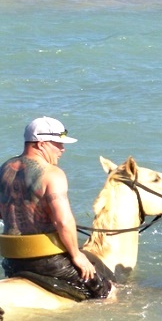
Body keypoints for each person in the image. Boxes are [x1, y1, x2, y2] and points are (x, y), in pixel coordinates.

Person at [0, 117, 113, 300]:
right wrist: (76, 255)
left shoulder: (4, 168)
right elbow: (63, 221)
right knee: (107, 292)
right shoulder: (52, 174)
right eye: (58, 144)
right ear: (41, 143)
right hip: (48, 261)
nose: (62, 149)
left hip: (12, 260)